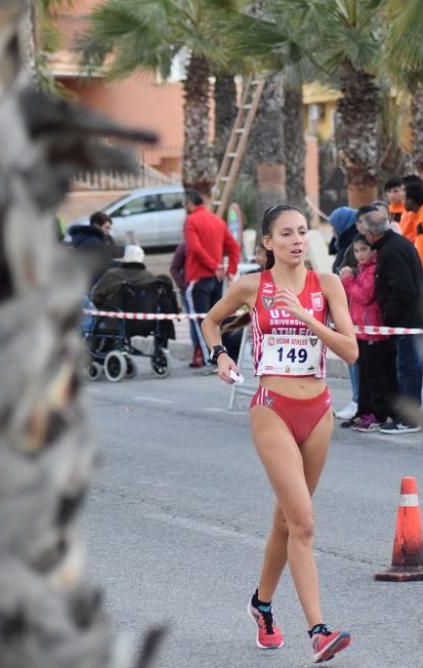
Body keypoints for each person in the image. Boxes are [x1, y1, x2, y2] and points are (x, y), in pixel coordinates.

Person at [200, 205, 357, 664]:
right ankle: (319, 630)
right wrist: (220, 356)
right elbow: (211, 321)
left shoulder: (327, 286)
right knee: (304, 523)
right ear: (267, 241)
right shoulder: (253, 285)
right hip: (272, 408)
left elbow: (350, 351)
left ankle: (261, 605)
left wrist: (307, 317)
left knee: (285, 522)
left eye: (302, 232)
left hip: (319, 411)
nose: (296, 239)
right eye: (285, 233)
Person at [361, 206, 423, 434]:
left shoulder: (391, 251)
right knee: (408, 368)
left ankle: (409, 419)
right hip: (411, 318)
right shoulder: (396, 244)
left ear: (372, 234)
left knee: (408, 369)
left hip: (408, 321)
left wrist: (388, 313)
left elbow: (404, 289)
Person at [339, 234, 396, 432]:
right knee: (363, 375)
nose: (360, 254)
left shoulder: (372, 272)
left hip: (373, 333)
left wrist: (348, 281)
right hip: (360, 332)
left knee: (374, 376)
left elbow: (364, 296)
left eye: (364, 250)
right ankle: (363, 411)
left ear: (373, 251)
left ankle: (378, 414)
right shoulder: (360, 271)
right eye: (356, 251)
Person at [184, 189, 240, 369]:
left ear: (189, 203)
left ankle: (211, 358)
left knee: (201, 320)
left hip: (199, 277)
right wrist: (230, 269)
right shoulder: (218, 220)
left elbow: (195, 248)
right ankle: (220, 355)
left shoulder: (191, 220)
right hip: (217, 280)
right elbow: (234, 248)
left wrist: (213, 266)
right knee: (216, 319)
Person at [90, 244, 179, 347]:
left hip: (116, 322)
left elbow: (96, 296)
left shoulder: (112, 275)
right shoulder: (150, 278)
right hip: (147, 323)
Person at [326, 206, 359, 420]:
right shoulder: (344, 244)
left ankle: (359, 400)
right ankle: (358, 399)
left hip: (355, 310)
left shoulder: (353, 246)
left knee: (355, 358)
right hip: (348, 309)